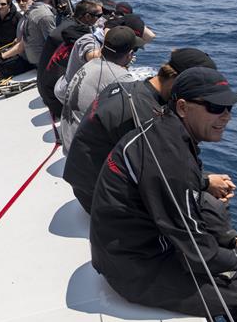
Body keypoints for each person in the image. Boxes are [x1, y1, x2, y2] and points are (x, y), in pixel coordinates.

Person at [91, 68, 237, 322]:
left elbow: (185, 215)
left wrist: (233, 241)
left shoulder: (167, 134)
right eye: (216, 107)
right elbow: (197, 253)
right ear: (183, 107)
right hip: (135, 270)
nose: (226, 116)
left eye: (230, 108)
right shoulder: (171, 159)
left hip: (130, 252)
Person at [64, 47, 219, 213]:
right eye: (195, 89)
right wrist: (206, 183)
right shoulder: (145, 114)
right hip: (96, 199)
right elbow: (160, 174)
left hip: (84, 184)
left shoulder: (125, 87)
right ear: (176, 79)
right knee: (205, 205)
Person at [60, 26, 144, 152]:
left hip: (68, 141)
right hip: (82, 152)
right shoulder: (121, 77)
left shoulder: (89, 64)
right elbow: (138, 117)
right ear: (130, 55)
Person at [54, 13, 149, 105]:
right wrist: (110, 37)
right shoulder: (88, 40)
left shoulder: (111, 58)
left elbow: (151, 36)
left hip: (79, 92)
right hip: (66, 95)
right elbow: (95, 56)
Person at [36, 0, 103, 123]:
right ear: (87, 17)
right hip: (55, 100)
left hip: (46, 89)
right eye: (99, 15)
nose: (101, 18)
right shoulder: (75, 36)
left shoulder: (69, 26)